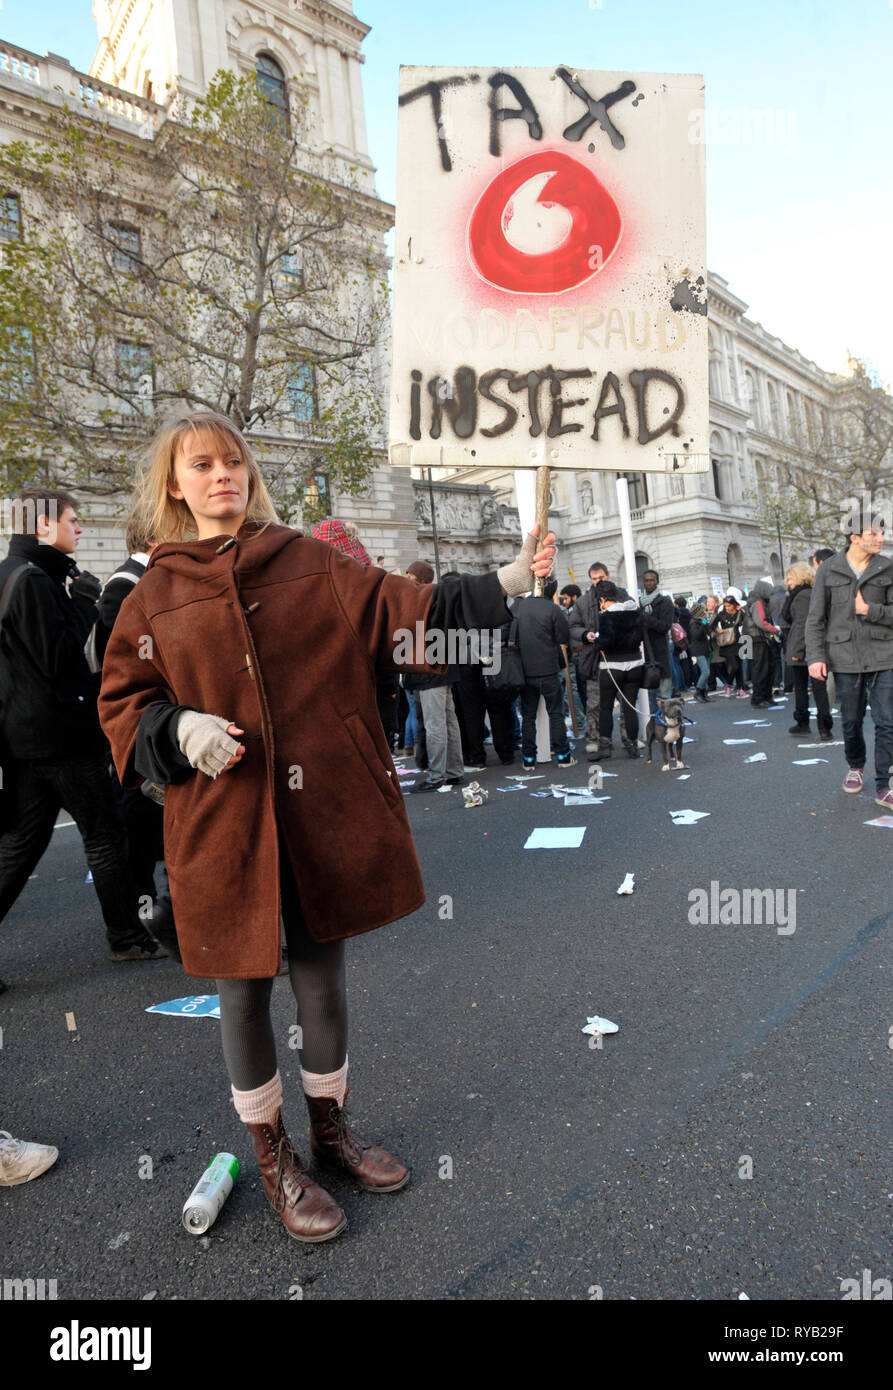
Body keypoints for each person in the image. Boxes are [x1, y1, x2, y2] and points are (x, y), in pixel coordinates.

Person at [99, 408, 557, 1243]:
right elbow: (124, 705)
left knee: (322, 984)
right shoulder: (150, 595)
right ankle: (272, 1158)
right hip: (220, 830)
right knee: (241, 993)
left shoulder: (311, 561)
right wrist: (176, 731)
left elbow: (408, 616)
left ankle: (331, 1134)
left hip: (321, 817)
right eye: (201, 465)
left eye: (232, 461)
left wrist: (507, 584)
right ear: (175, 485)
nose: (221, 476)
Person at [0, 489, 164, 991]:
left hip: (29, 736)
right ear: (43, 525)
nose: (80, 529)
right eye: (73, 520)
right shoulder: (32, 580)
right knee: (104, 835)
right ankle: (127, 936)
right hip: (61, 736)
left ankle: (127, 935)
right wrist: (83, 606)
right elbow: (61, 662)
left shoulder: (16, 573)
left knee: (21, 846)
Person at [806, 512, 893, 805]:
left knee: (887, 721)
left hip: (885, 654)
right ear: (855, 538)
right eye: (874, 534)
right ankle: (855, 765)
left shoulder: (888, 568)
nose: (881, 538)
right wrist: (815, 656)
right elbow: (815, 618)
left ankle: (885, 783)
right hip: (843, 655)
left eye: (882, 533)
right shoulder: (828, 570)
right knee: (851, 720)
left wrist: (870, 611)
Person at [514, 579, 576, 769]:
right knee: (556, 713)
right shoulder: (553, 609)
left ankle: (529, 759)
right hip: (548, 668)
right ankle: (563, 755)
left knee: (528, 716)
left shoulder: (518, 608)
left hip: (525, 670)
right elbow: (563, 637)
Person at [569, 561, 630, 750]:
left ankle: (628, 737)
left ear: (608, 576)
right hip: (594, 660)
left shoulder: (622, 596)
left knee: (625, 701)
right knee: (594, 703)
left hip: (619, 657)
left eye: (600, 578)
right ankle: (593, 740)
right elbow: (572, 626)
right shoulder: (583, 601)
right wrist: (584, 635)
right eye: (594, 579)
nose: (597, 581)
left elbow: (633, 620)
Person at [590, 580, 644, 759]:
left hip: (612, 666)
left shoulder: (606, 615)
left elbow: (605, 641)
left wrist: (596, 640)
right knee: (629, 707)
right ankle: (633, 745)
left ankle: (605, 745)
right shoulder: (635, 611)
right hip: (635, 664)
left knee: (606, 707)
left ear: (603, 599)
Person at [783, 563, 833, 740]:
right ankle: (823, 725)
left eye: (790, 578)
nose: (788, 582)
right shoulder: (811, 593)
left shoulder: (802, 596)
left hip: (806, 648)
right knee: (817, 688)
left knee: (804, 688)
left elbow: (803, 625)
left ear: (798, 577)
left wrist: (798, 650)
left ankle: (812, 723)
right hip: (816, 647)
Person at [742, 579, 782, 707]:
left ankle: (764, 697)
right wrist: (775, 630)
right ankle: (759, 698)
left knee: (761, 668)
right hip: (758, 639)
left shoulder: (753, 600)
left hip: (752, 638)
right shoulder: (758, 603)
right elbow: (761, 622)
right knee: (762, 670)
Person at [640, 570, 674, 706]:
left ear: (657, 581)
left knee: (664, 697)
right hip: (645, 655)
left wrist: (646, 619)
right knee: (650, 698)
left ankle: (667, 726)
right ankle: (654, 726)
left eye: (652, 580)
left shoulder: (665, 602)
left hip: (660, 654)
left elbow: (665, 626)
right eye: (647, 580)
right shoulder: (639, 603)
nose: (649, 583)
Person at [708, 596, 748, 697]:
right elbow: (711, 625)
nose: (727, 608)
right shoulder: (722, 614)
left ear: (734, 604)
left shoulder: (740, 613)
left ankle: (741, 689)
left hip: (738, 641)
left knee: (739, 667)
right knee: (735, 666)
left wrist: (741, 608)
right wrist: (717, 629)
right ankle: (729, 685)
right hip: (726, 643)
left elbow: (748, 619)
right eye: (725, 606)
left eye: (729, 606)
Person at [688, 601, 713, 702]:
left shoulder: (700, 621)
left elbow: (708, 631)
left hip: (704, 648)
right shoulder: (693, 623)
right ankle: (698, 691)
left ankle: (704, 693)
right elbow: (696, 635)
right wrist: (703, 624)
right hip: (697, 650)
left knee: (706, 671)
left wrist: (705, 623)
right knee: (705, 672)